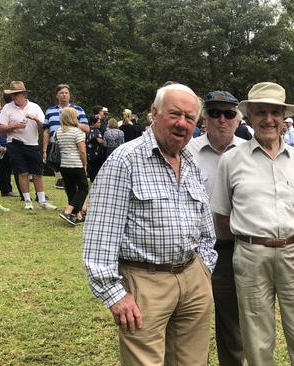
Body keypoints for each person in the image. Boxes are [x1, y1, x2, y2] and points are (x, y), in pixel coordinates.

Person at [83, 83, 217, 365]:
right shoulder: (125, 160)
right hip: (145, 282)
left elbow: (206, 229)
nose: (182, 123)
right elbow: (100, 237)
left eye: (190, 118)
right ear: (154, 114)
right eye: (174, 114)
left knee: (193, 361)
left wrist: (203, 270)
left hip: (193, 278)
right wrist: (115, 295)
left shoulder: (191, 163)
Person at [211, 82, 294, 366]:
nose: (268, 119)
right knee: (257, 341)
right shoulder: (231, 161)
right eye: (261, 112)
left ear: (284, 117)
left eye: (275, 112)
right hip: (250, 255)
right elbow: (222, 216)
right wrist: (252, 239)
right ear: (249, 116)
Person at [187, 90, 247, 366]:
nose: (221, 119)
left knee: (232, 328)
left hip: (232, 250)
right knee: (189, 329)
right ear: (205, 118)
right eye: (214, 113)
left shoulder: (249, 153)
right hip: (191, 253)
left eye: (228, 113)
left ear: (237, 119)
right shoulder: (186, 151)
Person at [0, 81, 56, 210]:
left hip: (32, 144)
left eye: (16, 94)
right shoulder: (7, 108)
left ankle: (42, 202)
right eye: (12, 94)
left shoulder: (35, 107)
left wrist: (35, 118)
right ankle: (27, 201)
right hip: (15, 144)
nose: (13, 97)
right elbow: (1, 129)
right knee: (22, 173)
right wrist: (14, 125)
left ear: (24, 94)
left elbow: (44, 127)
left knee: (37, 173)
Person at [42, 84, 90, 190]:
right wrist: (45, 150)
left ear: (69, 95)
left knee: (72, 179)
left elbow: (87, 128)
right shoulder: (50, 110)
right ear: (57, 95)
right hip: (56, 148)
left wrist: (72, 123)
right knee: (62, 180)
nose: (64, 95)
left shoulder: (78, 109)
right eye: (61, 93)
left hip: (74, 146)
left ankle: (73, 198)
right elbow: (46, 131)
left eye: (66, 93)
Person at [56, 108, 89, 225]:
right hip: (75, 163)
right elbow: (82, 151)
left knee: (71, 190)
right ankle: (68, 210)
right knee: (84, 188)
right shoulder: (77, 132)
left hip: (64, 164)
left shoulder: (58, 131)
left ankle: (77, 215)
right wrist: (85, 164)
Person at [86, 115, 105, 182]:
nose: (100, 124)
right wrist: (104, 141)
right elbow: (100, 141)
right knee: (95, 168)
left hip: (88, 153)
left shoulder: (86, 129)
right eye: (98, 122)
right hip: (95, 154)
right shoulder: (97, 131)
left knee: (90, 167)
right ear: (93, 123)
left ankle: (91, 178)